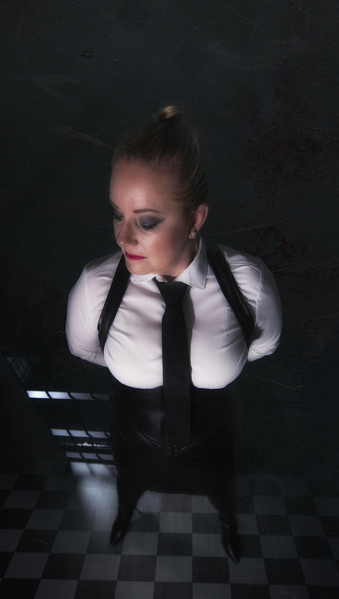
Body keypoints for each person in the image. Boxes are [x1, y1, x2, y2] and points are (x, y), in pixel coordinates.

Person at [65, 105, 282, 563]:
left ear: (195, 219)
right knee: (129, 483)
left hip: (215, 437)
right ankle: (125, 512)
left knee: (221, 489)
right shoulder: (96, 286)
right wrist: (134, 360)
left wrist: (214, 358)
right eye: (117, 215)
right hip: (134, 435)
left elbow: (263, 344)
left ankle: (228, 523)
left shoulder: (247, 283)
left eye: (147, 221)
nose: (124, 238)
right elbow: (85, 348)